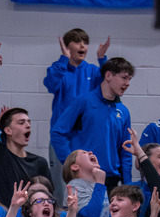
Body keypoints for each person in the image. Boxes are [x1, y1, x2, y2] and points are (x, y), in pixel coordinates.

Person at [0, 44, 50, 207]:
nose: (28, 125)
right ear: (8, 130)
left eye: (29, 122)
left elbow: (47, 198)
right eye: (21, 122)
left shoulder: (39, 162)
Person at [51, 57, 135, 189]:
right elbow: (58, 133)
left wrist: (128, 184)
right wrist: (71, 164)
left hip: (112, 179)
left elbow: (125, 151)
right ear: (108, 75)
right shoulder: (83, 101)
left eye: (130, 79)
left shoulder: (123, 111)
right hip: (84, 179)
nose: (128, 83)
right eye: (124, 77)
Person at [43, 29, 110, 194]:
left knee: (88, 185)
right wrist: (63, 59)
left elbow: (108, 85)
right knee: (62, 186)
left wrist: (102, 59)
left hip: (85, 137)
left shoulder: (94, 71)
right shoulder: (59, 69)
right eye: (77, 42)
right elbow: (51, 84)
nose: (82, 45)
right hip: (62, 137)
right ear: (67, 47)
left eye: (85, 42)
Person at [60, 149, 109, 217]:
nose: (91, 152)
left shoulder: (98, 187)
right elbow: (91, 216)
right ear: (75, 166)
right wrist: (100, 184)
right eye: (84, 153)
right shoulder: (74, 186)